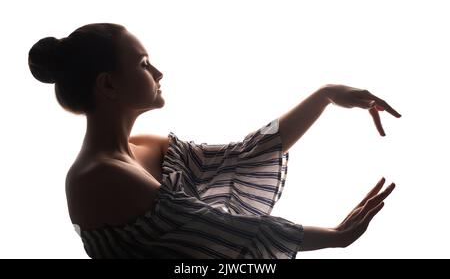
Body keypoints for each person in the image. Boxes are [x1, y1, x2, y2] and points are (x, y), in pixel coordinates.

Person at [28, 23, 401, 259]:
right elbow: (224, 228)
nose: (158, 72)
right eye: (143, 63)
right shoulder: (98, 175)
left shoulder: (144, 146)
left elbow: (244, 156)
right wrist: (336, 237)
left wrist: (326, 94)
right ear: (108, 84)